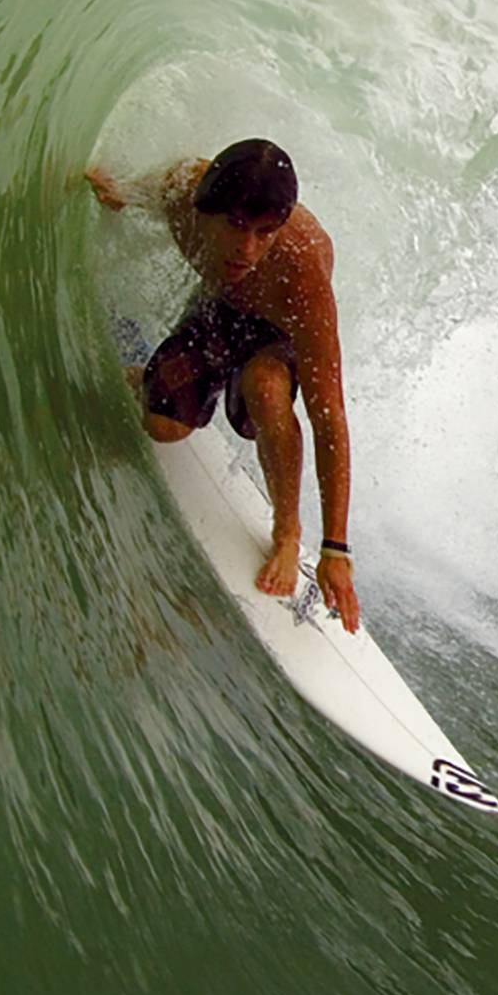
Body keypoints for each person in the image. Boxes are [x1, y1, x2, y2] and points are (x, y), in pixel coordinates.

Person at [86, 139, 360, 633]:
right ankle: (143, 376)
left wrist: (335, 547)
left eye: (264, 233)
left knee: (266, 386)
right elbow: (133, 191)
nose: (247, 249)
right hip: (219, 312)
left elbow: (329, 416)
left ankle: (287, 531)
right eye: (234, 226)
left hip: (275, 339)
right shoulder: (181, 191)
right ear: (206, 208)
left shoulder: (303, 271)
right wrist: (115, 192)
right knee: (164, 427)